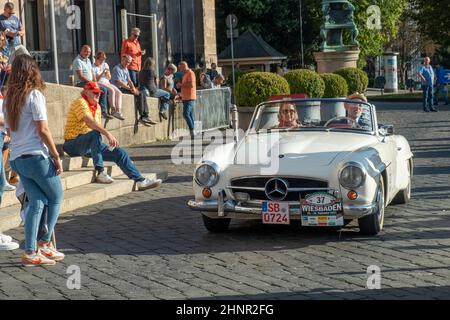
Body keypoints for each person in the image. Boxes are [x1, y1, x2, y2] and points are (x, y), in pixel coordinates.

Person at [4, 54, 64, 266]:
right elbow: (43, 129)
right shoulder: (34, 95)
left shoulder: (9, 99)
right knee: (57, 196)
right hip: (35, 156)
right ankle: (45, 244)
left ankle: (30, 252)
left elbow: (10, 130)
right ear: (33, 71)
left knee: (37, 201)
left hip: (18, 158)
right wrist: (56, 155)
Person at [62, 81, 163, 190]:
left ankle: (140, 181)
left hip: (90, 144)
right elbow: (90, 122)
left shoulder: (98, 107)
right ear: (86, 92)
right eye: (95, 92)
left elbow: (95, 127)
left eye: (99, 92)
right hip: (72, 144)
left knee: (120, 153)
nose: (98, 95)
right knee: (95, 133)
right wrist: (108, 134)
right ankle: (100, 172)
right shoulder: (80, 102)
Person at [112, 55, 156, 126]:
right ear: (122, 60)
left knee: (141, 93)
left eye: (129, 62)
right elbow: (118, 82)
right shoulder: (117, 68)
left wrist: (133, 88)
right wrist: (130, 89)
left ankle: (145, 116)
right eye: (126, 62)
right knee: (139, 94)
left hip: (126, 87)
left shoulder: (125, 69)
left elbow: (129, 81)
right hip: (119, 88)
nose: (127, 64)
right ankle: (142, 116)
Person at [72, 45, 111, 119]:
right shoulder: (77, 61)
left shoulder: (88, 60)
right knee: (99, 90)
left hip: (89, 82)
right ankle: (100, 111)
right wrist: (91, 83)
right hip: (80, 83)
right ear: (81, 51)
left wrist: (95, 82)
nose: (87, 53)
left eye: (89, 52)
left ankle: (103, 111)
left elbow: (92, 73)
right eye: (85, 51)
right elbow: (80, 76)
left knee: (104, 90)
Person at [93, 51, 124, 121]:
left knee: (119, 92)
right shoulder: (93, 67)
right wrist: (102, 73)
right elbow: (96, 80)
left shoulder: (105, 64)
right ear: (96, 59)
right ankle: (113, 110)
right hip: (99, 82)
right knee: (112, 90)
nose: (102, 61)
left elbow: (109, 77)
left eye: (103, 60)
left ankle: (118, 111)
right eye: (100, 59)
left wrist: (107, 74)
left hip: (107, 82)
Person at [0, 86, 15, 192]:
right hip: (2, 132)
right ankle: (3, 181)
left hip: (5, 132)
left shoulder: (5, 101)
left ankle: (4, 179)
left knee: (6, 149)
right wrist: (12, 123)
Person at [177, 61, 197, 138]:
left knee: (186, 114)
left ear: (184, 66)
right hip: (186, 97)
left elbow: (191, 85)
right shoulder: (185, 74)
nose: (180, 70)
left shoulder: (190, 73)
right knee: (190, 114)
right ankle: (193, 131)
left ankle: (192, 131)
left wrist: (181, 85)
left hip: (190, 97)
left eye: (180, 68)